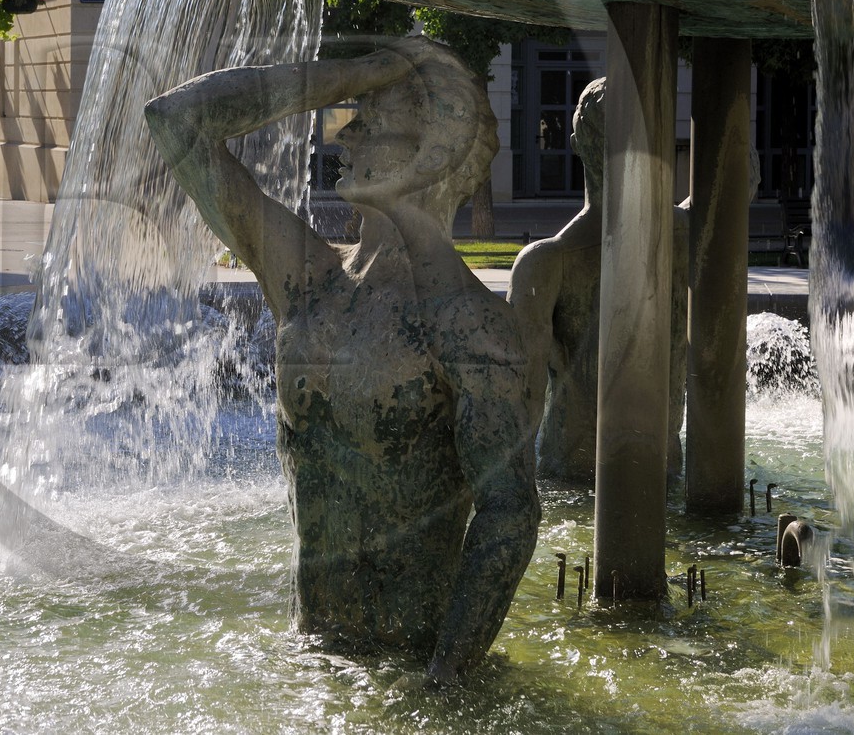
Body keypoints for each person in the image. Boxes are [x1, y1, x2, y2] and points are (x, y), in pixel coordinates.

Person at [145, 37, 549, 685]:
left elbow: (511, 513)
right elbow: (175, 121)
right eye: (348, 112)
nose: (346, 133)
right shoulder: (308, 276)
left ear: (434, 150)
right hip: (314, 659)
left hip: (411, 672)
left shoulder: (463, 321)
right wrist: (351, 74)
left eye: (373, 117)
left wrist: (446, 676)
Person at [510, 78, 690, 485]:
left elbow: (519, 400)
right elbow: (737, 176)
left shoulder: (545, 264)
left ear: (575, 143)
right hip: (664, 468)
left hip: (572, 470)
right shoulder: (686, 236)